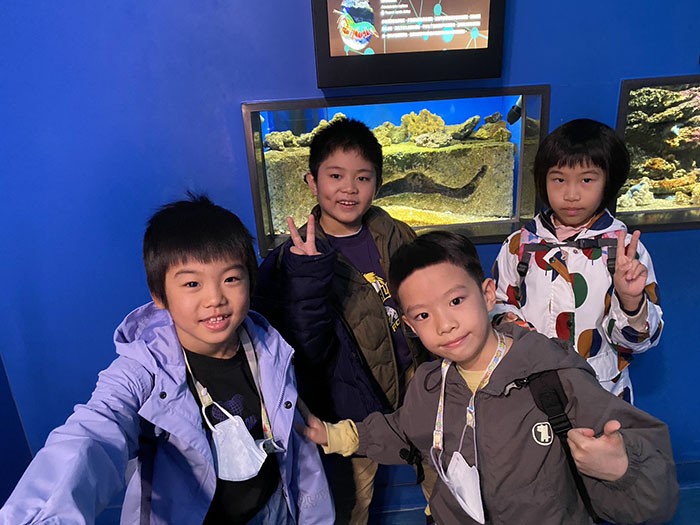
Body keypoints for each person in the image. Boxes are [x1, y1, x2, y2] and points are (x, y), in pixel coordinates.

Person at [303, 231, 678, 524]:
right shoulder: (429, 385)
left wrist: (621, 468)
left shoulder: (554, 376)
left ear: (486, 295)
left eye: (455, 301)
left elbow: (658, 491)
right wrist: (336, 435)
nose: (445, 325)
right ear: (410, 326)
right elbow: (402, 429)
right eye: (423, 315)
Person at [0, 195, 334, 525]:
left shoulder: (271, 349)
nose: (215, 298)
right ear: (159, 295)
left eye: (231, 279)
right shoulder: (143, 370)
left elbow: (298, 456)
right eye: (192, 283)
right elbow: (93, 433)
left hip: (271, 512)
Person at [253, 117, 431, 524]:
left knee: (448, 483)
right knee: (351, 504)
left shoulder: (396, 234)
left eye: (362, 178)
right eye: (335, 176)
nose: (349, 188)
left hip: (417, 385)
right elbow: (301, 349)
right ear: (312, 182)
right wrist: (307, 275)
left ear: (378, 184)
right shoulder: (290, 260)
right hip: (347, 406)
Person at [491, 118, 663, 403]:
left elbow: (642, 342)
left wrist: (632, 302)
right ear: (543, 180)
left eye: (587, 180)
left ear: (608, 181)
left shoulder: (625, 250)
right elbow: (497, 305)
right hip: (530, 388)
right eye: (559, 179)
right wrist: (510, 324)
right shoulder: (519, 244)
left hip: (601, 391)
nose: (571, 195)